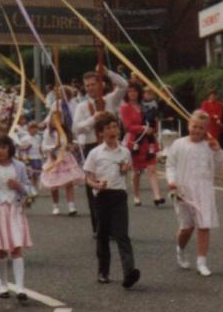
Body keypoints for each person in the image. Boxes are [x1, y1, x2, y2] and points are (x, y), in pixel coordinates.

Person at [83, 112, 141, 289]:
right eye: (108, 128)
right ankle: (103, 271)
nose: (112, 130)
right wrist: (96, 185)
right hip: (102, 196)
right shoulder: (95, 153)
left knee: (122, 234)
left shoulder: (125, 151)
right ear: (100, 133)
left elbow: (126, 173)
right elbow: (88, 178)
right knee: (103, 235)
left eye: (115, 127)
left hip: (119, 195)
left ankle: (129, 272)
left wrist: (125, 169)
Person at [0, 134, 36, 302]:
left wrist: (19, 186)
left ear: (10, 148)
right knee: (2, 250)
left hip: (15, 209)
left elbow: (30, 190)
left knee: (17, 247)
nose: (1, 151)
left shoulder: (19, 166)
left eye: (4, 147)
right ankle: (3, 284)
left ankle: (20, 287)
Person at [72, 67, 129, 234]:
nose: (90, 87)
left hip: (111, 147)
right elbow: (76, 129)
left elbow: (124, 85)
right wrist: (92, 119)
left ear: (100, 85)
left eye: (93, 84)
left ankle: (115, 224)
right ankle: (99, 226)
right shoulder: (82, 106)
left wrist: (107, 73)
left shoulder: (110, 100)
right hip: (92, 147)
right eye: (87, 85)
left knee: (113, 185)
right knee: (94, 188)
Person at [166, 110, 221, 277]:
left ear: (206, 130)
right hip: (183, 190)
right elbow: (171, 165)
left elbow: (217, 167)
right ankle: (180, 249)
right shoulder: (179, 144)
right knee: (187, 227)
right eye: (194, 126)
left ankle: (201, 262)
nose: (196, 130)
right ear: (188, 125)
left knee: (204, 225)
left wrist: (217, 151)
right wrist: (172, 181)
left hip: (204, 189)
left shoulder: (209, 146)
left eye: (201, 128)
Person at [119, 83, 164, 207]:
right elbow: (128, 126)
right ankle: (137, 195)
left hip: (148, 140)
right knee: (137, 171)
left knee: (152, 168)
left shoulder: (145, 105)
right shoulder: (125, 108)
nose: (132, 93)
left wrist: (152, 128)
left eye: (135, 91)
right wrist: (142, 128)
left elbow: (153, 120)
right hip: (135, 141)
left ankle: (157, 196)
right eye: (130, 91)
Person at [41, 109, 83, 216]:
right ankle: (55, 206)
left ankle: (71, 206)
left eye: (59, 118)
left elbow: (69, 143)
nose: (56, 121)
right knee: (54, 184)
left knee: (69, 182)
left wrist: (72, 146)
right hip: (54, 159)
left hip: (66, 158)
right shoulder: (47, 132)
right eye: (54, 118)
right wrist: (54, 147)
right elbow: (44, 146)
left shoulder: (65, 131)